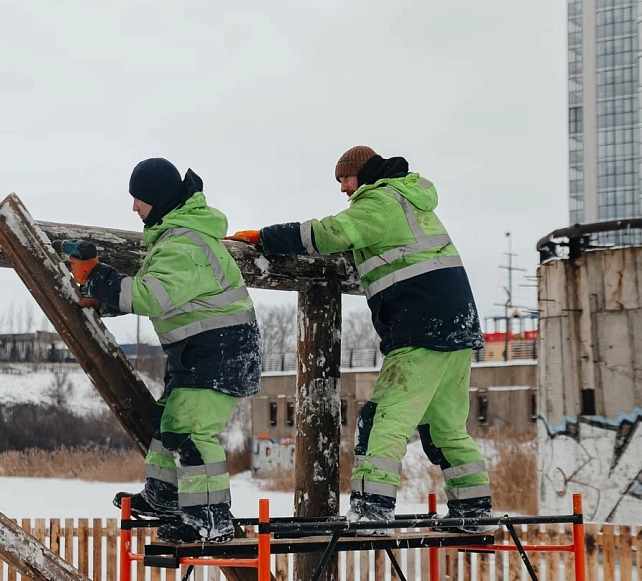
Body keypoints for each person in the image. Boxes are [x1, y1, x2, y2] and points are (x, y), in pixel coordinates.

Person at [228, 146, 491, 534]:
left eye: (344, 179)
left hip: (421, 330)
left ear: (362, 173)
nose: (342, 189)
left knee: (382, 419)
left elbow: (330, 232)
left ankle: (372, 510)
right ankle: (474, 510)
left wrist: (266, 237)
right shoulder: (411, 203)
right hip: (457, 328)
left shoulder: (379, 200)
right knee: (445, 428)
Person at [64, 157, 261, 543]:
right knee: (168, 423)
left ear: (158, 198)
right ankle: (164, 497)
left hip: (220, 352)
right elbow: (166, 297)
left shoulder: (184, 244)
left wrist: (97, 275)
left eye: (139, 199)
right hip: (201, 349)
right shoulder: (177, 238)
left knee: (192, 432)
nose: (134, 208)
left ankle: (209, 520)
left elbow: (151, 297)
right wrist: (104, 299)